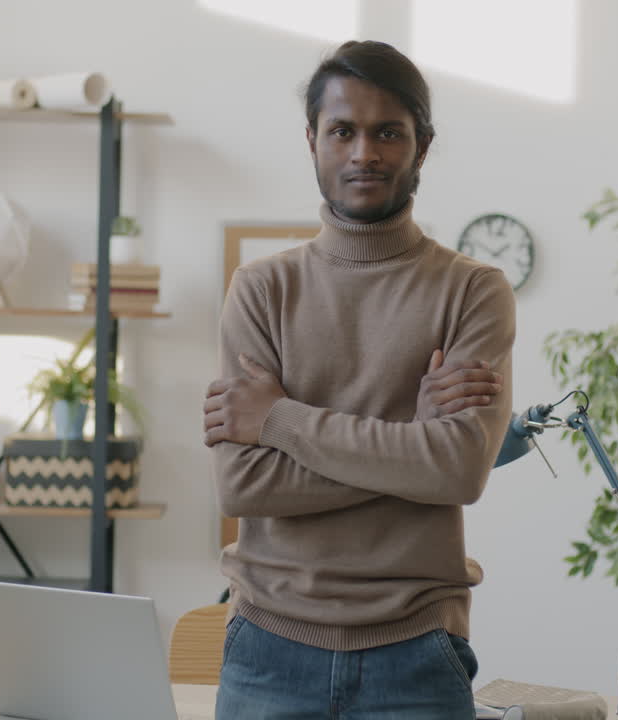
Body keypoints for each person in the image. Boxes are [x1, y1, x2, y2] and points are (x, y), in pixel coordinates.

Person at [202, 40, 514, 719]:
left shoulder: (473, 292)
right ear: (313, 139)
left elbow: (458, 472)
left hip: (417, 651)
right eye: (343, 130)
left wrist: (280, 421)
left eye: (387, 133)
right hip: (268, 647)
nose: (363, 153)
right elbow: (243, 484)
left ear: (422, 147)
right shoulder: (261, 290)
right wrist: (412, 446)